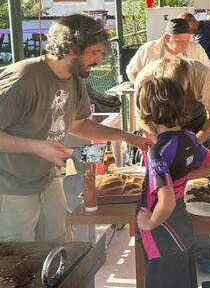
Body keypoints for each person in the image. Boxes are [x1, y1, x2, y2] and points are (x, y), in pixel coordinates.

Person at [0, 14, 151, 242]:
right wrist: (37, 147)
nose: (99, 59)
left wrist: (126, 137)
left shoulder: (75, 80)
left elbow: (78, 125)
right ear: (71, 48)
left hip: (49, 178)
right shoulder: (24, 78)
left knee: (59, 243)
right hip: (11, 185)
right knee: (18, 255)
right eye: (94, 52)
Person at [134, 56, 210, 273]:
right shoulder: (190, 138)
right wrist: (181, 177)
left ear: (148, 115)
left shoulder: (156, 152)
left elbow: (166, 202)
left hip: (162, 237)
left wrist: (148, 223)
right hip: (185, 233)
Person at [126, 18, 210, 83]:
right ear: (167, 38)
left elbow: (209, 72)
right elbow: (132, 71)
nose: (185, 44)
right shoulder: (148, 49)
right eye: (179, 41)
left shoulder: (195, 49)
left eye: (187, 40)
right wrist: (142, 89)